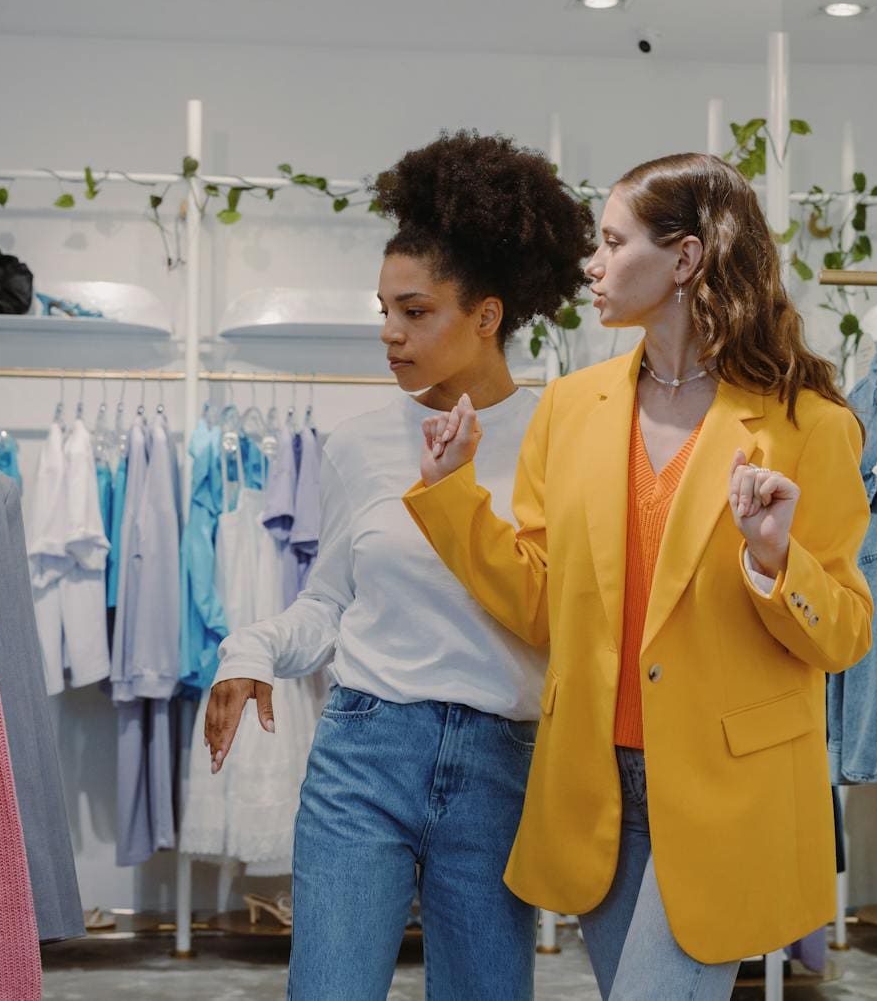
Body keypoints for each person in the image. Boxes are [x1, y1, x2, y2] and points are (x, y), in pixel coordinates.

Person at [405, 152, 873, 999]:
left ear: (686, 258)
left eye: (614, 242)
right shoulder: (571, 408)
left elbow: (844, 631)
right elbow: (543, 603)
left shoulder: (812, 423)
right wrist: (453, 498)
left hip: (731, 790)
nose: (592, 263)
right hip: (597, 785)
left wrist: (775, 559)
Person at [202, 131, 594, 1000]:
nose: (389, 333)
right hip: (363, 754)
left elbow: (561, 612)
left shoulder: (566, 439)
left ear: (487, 315)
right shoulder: (358, 442)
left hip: (502, 765)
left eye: (415, 312)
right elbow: (328, 603)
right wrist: (252, 648)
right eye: (383, 308)